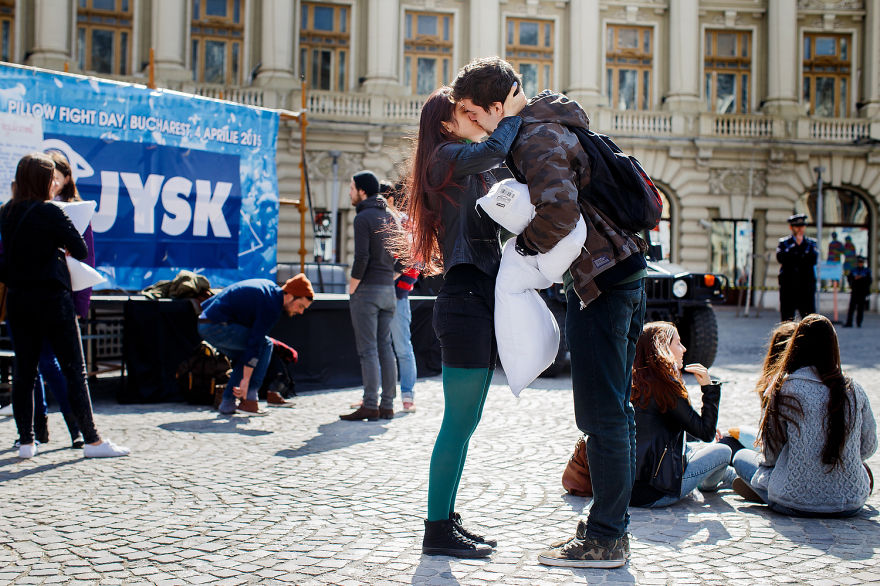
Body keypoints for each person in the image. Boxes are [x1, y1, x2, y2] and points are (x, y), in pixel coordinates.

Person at [452, 57, 646, 568]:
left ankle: (606, 538)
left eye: (474, 113)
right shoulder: (548, 121)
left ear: (496, 106)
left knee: (601, 413)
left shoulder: (535, 137)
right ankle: (610, 527)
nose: (473, 124)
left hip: (600, 279)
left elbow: (559, 215)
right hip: (621, 269)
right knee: (614, 411)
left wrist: (522, 250)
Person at [404, 84, 525, 558]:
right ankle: (436, 531)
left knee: (467, 420)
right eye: (465, 113)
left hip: (477, 299)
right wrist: (509, 114)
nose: (475, 119)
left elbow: (505, 167)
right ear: (444, 124)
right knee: (456, 423)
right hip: (463, 300)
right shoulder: (445, 159)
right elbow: (498, 145)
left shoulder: (465, 166)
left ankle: (446, 520)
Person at [0, 152, 129, 459]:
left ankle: (27, 442)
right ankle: (92, 440)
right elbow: (81, 250)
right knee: (74, 370)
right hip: (52, 299)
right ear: (44, 181)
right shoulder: (52, 212)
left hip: (19, 300)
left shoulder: (6, 213)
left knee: (24, 372)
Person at [731, 314, 877, 517]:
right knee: (864, 470)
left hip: (794, 501)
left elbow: (771, 455)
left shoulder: (783, 389)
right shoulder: (854, 390)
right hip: (849, 503)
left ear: (795, 346)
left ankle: (763, 491)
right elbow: (868, 447)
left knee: (740, 457)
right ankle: (767, 491)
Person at [28, 150, 94, 448]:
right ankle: (37, 429)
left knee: (56, 365)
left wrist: (81, 305)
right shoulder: (25, 209)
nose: (52, 182)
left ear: (66, 178)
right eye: (47, 176)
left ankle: (74, 426)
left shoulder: (74, 210)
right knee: (35, 364)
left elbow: (85, 257)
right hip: (31, 297)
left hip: (63, 298)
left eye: (56, 176)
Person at [629, 322, 733, 508]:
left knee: (693, 447)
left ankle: (728, 476)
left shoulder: (633, 381)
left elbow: (655, 424)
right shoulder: (664, 386)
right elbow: (707, 433)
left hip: (627, 490)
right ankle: (712, 482)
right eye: (678, 343)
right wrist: (708, 388)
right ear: (662, 347)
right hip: (659, 491)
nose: (684, 349)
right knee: (723, 451)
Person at [198, 274, 313, 415]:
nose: (300, 312)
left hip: (206, 322)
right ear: (290, 295)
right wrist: (246, 380)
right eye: (301, 306)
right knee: (265, 345)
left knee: (246, 357)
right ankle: (249, 400)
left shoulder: (269, 289)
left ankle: (228, 403)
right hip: (215, 325)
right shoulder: (272, 305)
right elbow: (255, 342)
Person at [337, 171, 398, 422]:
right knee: (386, 348)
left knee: (368, 351)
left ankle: (370, 404)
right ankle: (387, 405)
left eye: (352, 188)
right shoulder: (390, 217)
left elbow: (361, 257)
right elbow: (403, 259)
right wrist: (388, 278)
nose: (350, 193)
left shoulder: (363, 217)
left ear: (362, 191)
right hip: (388, 291)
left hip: (368, 291)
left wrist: (352, 287)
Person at [381, 180, 420, 413]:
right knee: (380, 347)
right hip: (385, 292)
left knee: (402, 347)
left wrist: (392, 278)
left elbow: (414, 259)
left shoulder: (406, 223)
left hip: (396, 294)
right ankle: (379, 394)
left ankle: (407, 396)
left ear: (391, 199)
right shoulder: (382, 221)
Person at [776, 213, 818, 321]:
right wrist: (796, 247)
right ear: (791, 227)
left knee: (809, 319)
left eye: (802, 226)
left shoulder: (811, 243)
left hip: (806, 287)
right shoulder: (784, 243)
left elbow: (813, 259)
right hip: (788, 287)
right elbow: (781, 258)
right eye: (797, 227)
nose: (800, 229)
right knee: (787, 318)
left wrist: (800, 247)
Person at [844, 255, 872, 328]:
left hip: (862, 292)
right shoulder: (854, 270)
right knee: (851, 308)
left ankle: (859, 323)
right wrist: (854, 279)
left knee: (860, 308)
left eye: (861, 262)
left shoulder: (866, 271)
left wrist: (861, 278)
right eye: (859, 262)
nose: (860, 263)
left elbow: (869, 281)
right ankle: (849, 322)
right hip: (855, 291)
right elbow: (849, 278)